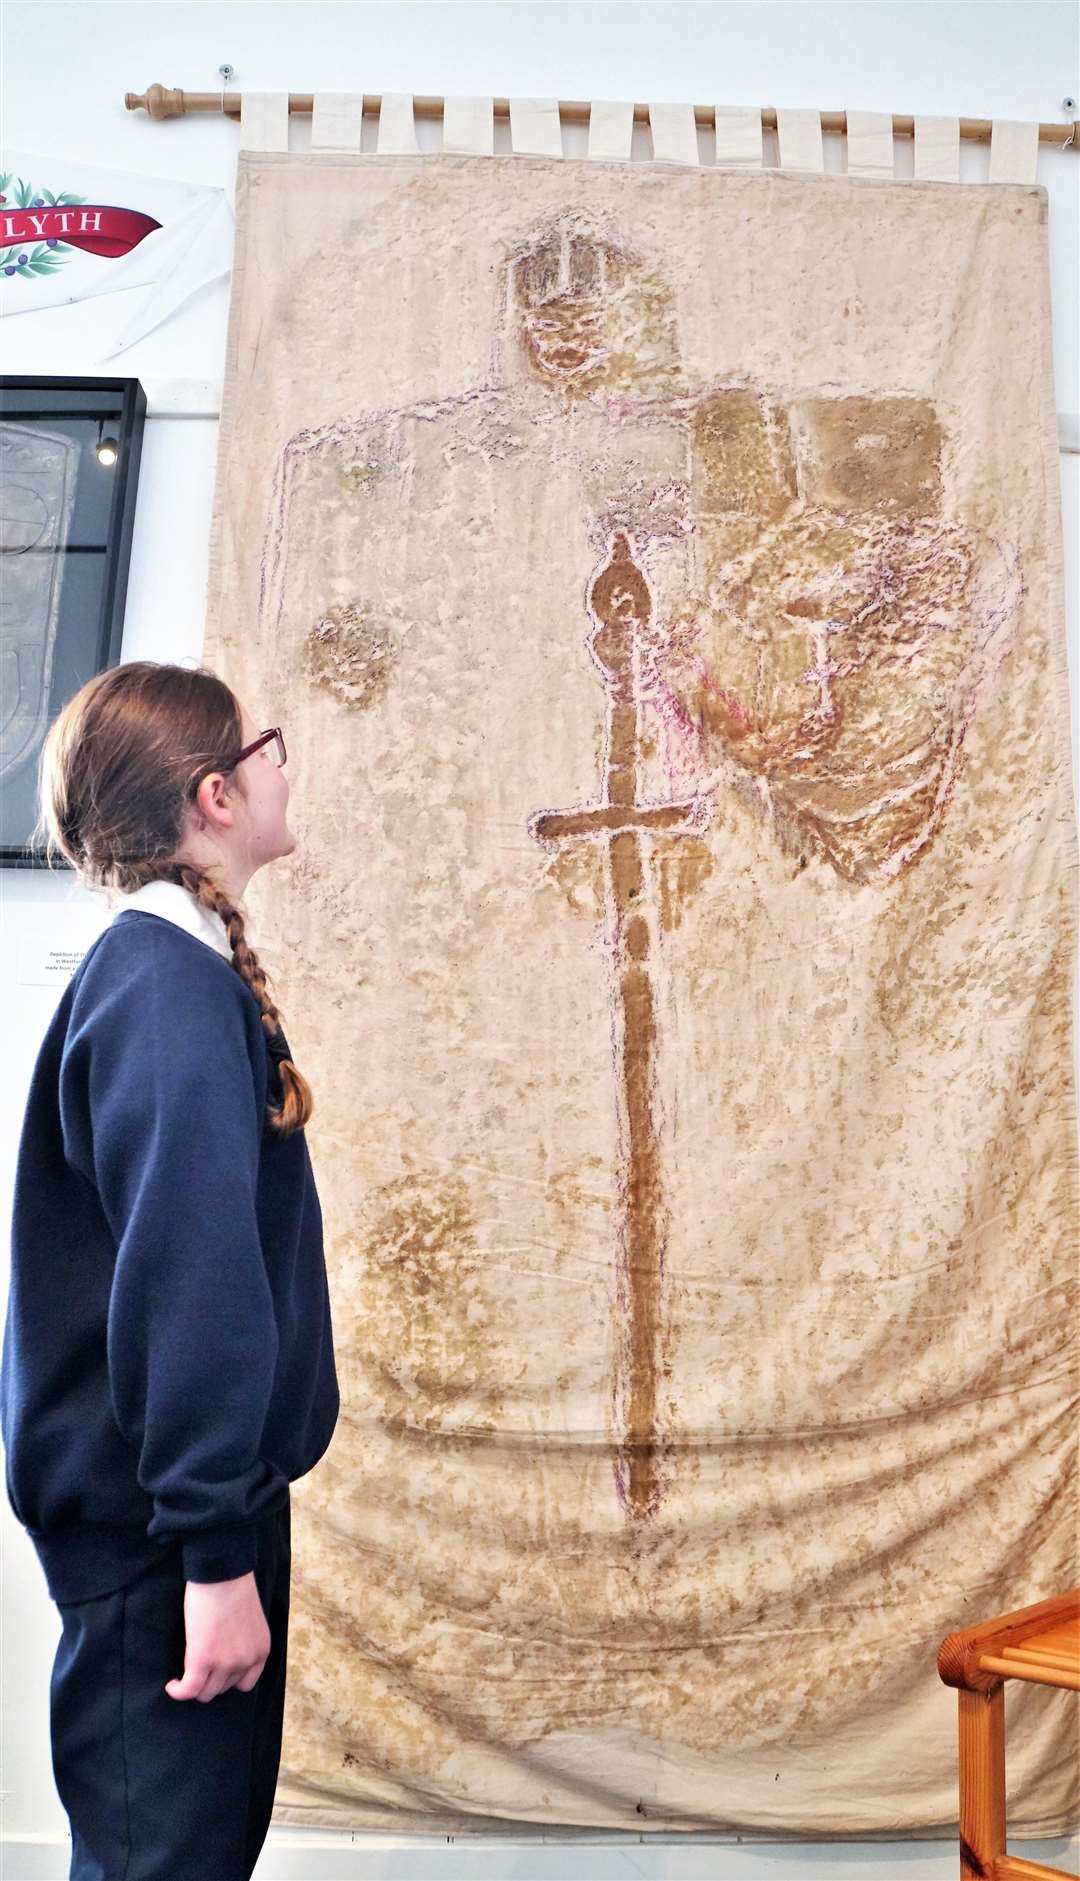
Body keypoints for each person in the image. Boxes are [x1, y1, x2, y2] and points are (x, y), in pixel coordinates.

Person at [1, 660, 340, 1880]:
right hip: (167, 1544)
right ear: (215, 797)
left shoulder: (170, 975)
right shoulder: (165, 991)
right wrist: (212, 1558)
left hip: (184, 1526)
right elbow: (187, 1284)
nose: (283, 765)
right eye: (268, 748)